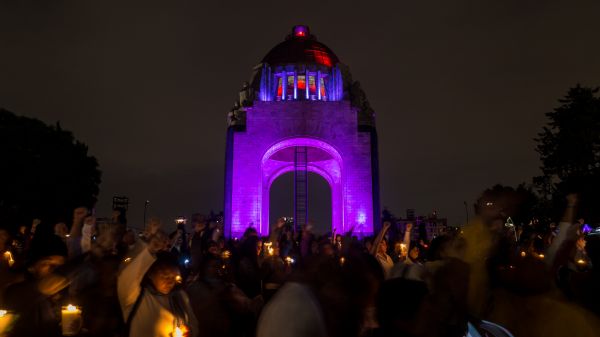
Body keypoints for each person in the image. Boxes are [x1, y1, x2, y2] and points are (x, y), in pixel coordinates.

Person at [117, 232, 198, 337]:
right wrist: (148, 250)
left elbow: (193, 323)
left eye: (174, 278)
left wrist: (189, 331)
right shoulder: (134, 296)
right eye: (165, 276)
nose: (170, 282)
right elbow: (127, 274)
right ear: (150, 273)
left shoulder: (180, 296)